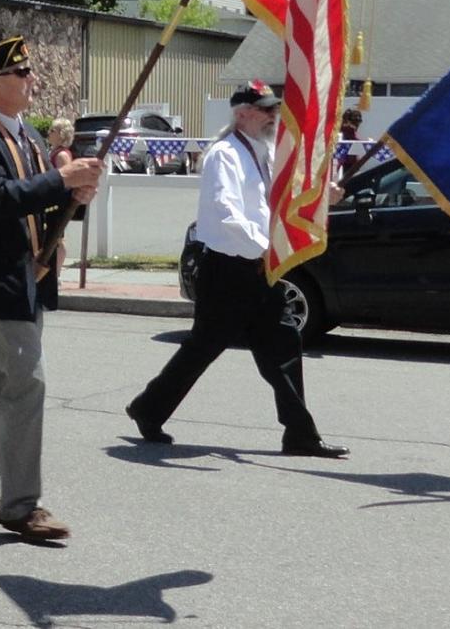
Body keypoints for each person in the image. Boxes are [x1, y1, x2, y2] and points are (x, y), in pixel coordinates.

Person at [125, 79, 349, 459]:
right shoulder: (224, 155)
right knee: (202, 348)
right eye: (265, 110)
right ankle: (149, 408)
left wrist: (320, 198)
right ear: (242, 113)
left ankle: (299, 434)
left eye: (273, 109)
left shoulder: (263, 152)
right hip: (228, 271)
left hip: (262, 270)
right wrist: (265, 248)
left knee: (284, 346)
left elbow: (283, 199)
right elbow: (226, 213)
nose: (272, 116)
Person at [0, 35, 104, 542]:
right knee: (27, 382)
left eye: (30, 72)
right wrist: (61, 181)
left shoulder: (30, 137)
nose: (33, 80)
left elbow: (37, 204)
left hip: (26, 278)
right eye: (23, 74)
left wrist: (74, 194)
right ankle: (20, 506)